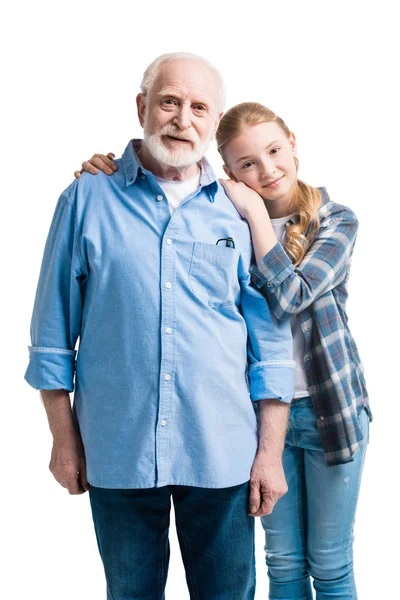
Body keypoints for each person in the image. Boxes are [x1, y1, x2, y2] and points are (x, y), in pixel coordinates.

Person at [25, 55, 296, 600]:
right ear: (142, 107)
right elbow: (52, 336)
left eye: (199, 107)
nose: (182, 118)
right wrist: (63, 441)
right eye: (170, 101)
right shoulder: (85, 197)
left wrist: (269, 453)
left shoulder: (239, 211)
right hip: (116, 448)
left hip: (222, 452)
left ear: (214, 123)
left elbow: (270, 347)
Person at [85, 101, 371, 600]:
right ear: (229, 171)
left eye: (275, 151)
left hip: (332, 411)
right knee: (281, 562)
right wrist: (110, 166)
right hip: (262, 418)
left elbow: (291, 296)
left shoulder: (335, 219)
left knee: (329, 562)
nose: (267, 170)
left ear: (294, 144)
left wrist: (257, 216)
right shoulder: (222, 214)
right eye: (247, 165)